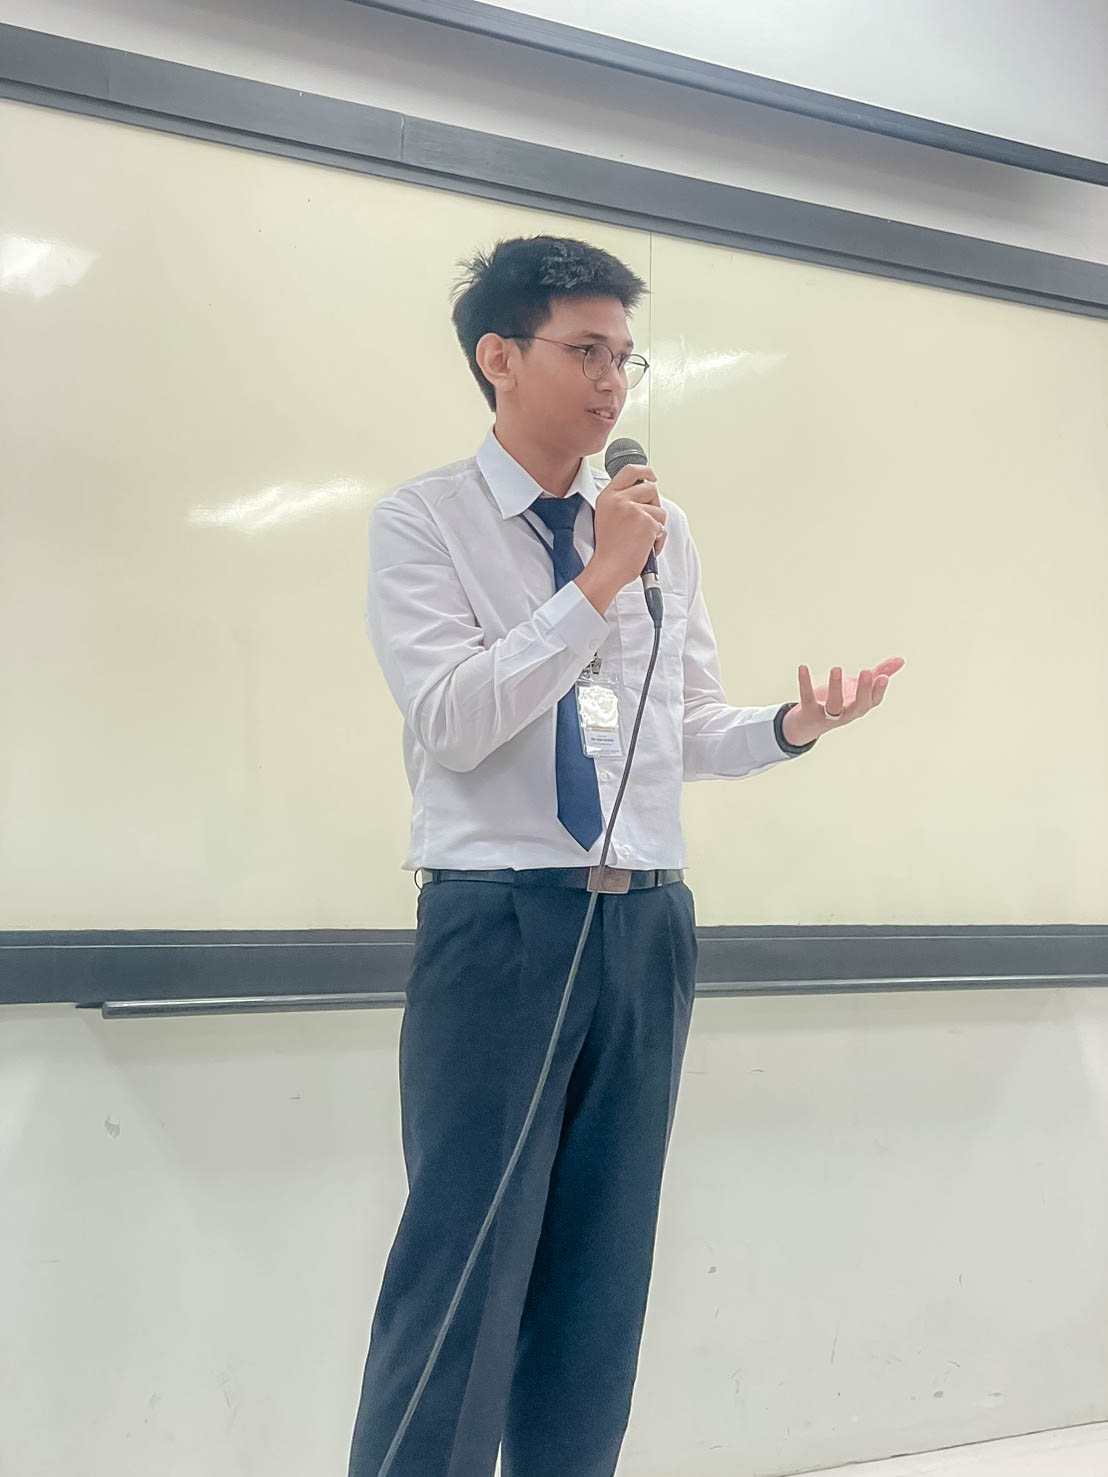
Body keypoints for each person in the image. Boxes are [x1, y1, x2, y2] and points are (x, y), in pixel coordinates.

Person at [348, 235, 904, 1477]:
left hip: (646, 926)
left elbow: (677, 725)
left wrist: (790, 726)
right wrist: (597, 578)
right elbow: (453, 720)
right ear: (500, 357)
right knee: (463, 1268)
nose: (612, 382)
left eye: (624, 356)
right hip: (502, 924)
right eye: (585, 351)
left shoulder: (662, 531)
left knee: (601, 1275)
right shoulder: (425, 522)